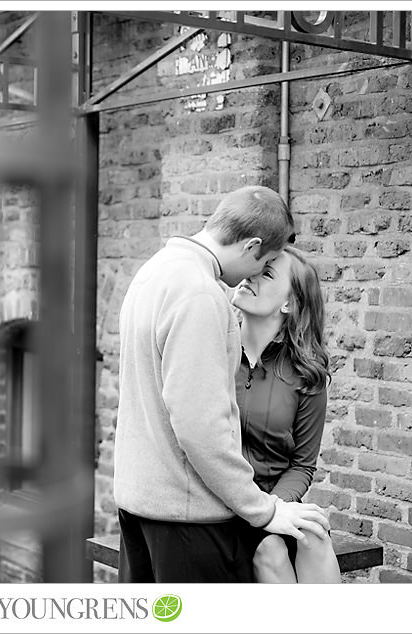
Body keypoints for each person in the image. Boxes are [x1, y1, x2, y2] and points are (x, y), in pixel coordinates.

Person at [113, 185, 330, 583]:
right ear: (251, 246)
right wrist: (262, 510)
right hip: (185, 518)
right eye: (262, 264)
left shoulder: (154, 271)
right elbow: (200, 427)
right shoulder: (200, 293)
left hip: (141, 506)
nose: (250, 278)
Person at [231, 246, 341, 583]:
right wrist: (258, 510)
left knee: (314, 533)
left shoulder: (306, 374)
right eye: (254, 267)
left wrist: (277, 506)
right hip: (226, 504)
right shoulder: (214, 350)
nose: (251, 276)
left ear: (289, 304)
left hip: (275, 501)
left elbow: (302, 464)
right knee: (272, 550)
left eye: (266, 273)